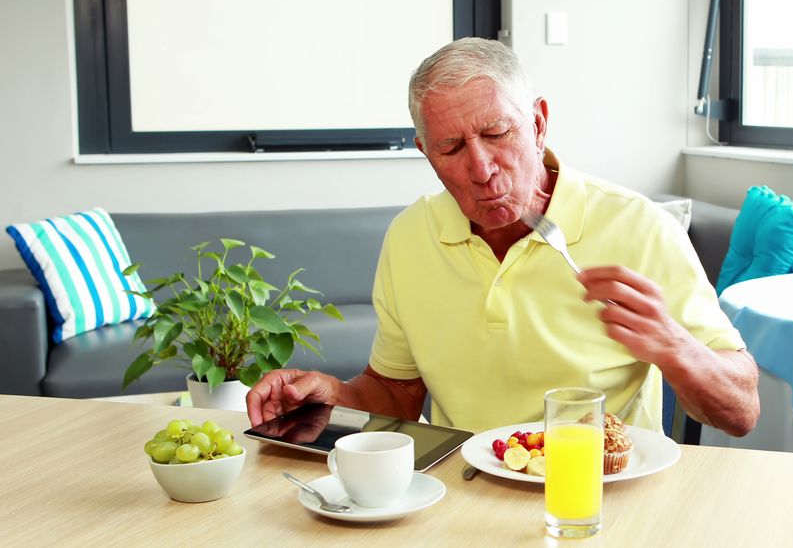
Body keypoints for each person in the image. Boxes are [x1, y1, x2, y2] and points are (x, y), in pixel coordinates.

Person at [247, 37, 759, 437]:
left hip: (595, 495)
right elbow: (394, 394)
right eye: (451, 148)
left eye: (497, 134)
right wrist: (333, 394)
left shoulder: (639, 228)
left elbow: (741, 413)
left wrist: (676, 348)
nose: (481, 168)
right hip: (459, 492)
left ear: (538, 123)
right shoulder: (410, 238)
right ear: (426, 153)